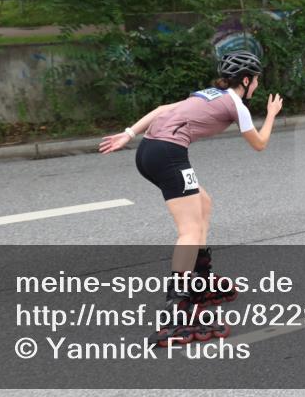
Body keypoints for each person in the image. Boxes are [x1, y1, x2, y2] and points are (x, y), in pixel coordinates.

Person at [98, 50, 283, 345]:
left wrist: (129, 133)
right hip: (168, 154)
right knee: (189, 229)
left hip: (150, 150)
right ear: (246, 80)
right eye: (257, 80)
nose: (258, 86)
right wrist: (271, 115)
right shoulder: (237, 104)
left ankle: (201, 275)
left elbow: (161, 109)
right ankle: (177, 306)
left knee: (203, 202)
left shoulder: (208, 94)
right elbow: (259, 143)